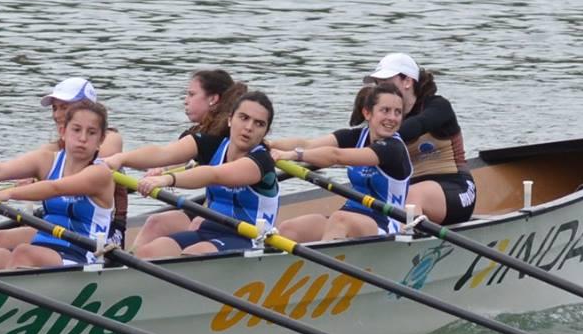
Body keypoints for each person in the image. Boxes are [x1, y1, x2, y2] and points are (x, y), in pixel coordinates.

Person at [0, 101, 116, 270]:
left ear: (101, 140)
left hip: (84, 254)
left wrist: (7, 193)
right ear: (63, 132)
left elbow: (54, 188)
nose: (83, 138)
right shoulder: (47, 161)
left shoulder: (100, 174)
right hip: (45, 243)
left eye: (91, 133)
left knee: (24, 253)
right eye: (76, 130)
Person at [113, 90, 280, 258]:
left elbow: (214, 175)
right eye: (243, 118)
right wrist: (119, 159)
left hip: (249, 238)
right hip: (209, 229)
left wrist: (166, 179)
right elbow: (163, 153)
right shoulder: (212, 145)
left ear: (265, 132)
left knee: (193, 254)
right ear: (230, 119)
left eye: (259, 124)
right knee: (149, 252)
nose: (249, 127)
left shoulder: (262, 161)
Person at [109, 68, 243, 248]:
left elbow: (163, 153)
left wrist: (121, 159)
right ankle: (132, 260)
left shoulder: (218, 137)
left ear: (213, 99)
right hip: (215, 207)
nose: (185, 100)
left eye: (191, 94)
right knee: (155, 223)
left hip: (239, 219)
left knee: (196, 223)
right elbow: (175, 157)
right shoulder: (201, 133)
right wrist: (163, 170)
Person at [267, 81, 413, 243]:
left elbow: (336, 156)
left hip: (384, 224)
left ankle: (326, 259)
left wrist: (293, 155)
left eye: (398, 112)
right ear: (367, 113)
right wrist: (269, 145)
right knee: (289, 229)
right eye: (385, 110)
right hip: (348, 215)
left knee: (339, 220)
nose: (392, 118)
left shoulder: (393, 148)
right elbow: (307, 144)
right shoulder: (355, 137)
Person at [369, 52, 477, 225]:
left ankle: (407, 238)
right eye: (377, 84)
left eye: (385, 83)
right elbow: (349, 139)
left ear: (407, 81)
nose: (380, 89)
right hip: (408, 192)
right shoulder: (381, 117)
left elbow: (417, 125)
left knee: (411, 197)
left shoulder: (438, 107)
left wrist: (374, 139)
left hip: (457, 188)